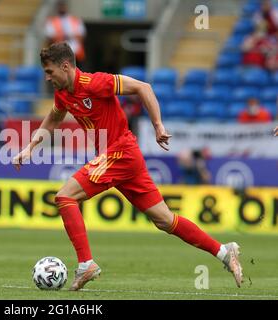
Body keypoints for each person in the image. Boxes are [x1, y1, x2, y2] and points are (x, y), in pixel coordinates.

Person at [12, 42, 243, 291]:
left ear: (65, 66)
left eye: (49, 72)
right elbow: (52, 119)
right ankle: (223, 251)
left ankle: (86, 263)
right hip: (123, 158)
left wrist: (158, 125)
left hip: (119, 152)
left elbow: (143, 87)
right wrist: (30, 147)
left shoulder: (95, 83)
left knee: (65, 197)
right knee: (165, 220)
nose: (47, 78)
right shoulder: (63, 93)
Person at [44, 0, 86, 67]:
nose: (62, 8)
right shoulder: (52, 21)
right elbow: (50, 37)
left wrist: (71, 36)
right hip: (59, 54)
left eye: (63, 6)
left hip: (75, 53)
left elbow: (81, 35)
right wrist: (63, 36)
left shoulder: (75, 20)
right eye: (60, 6)